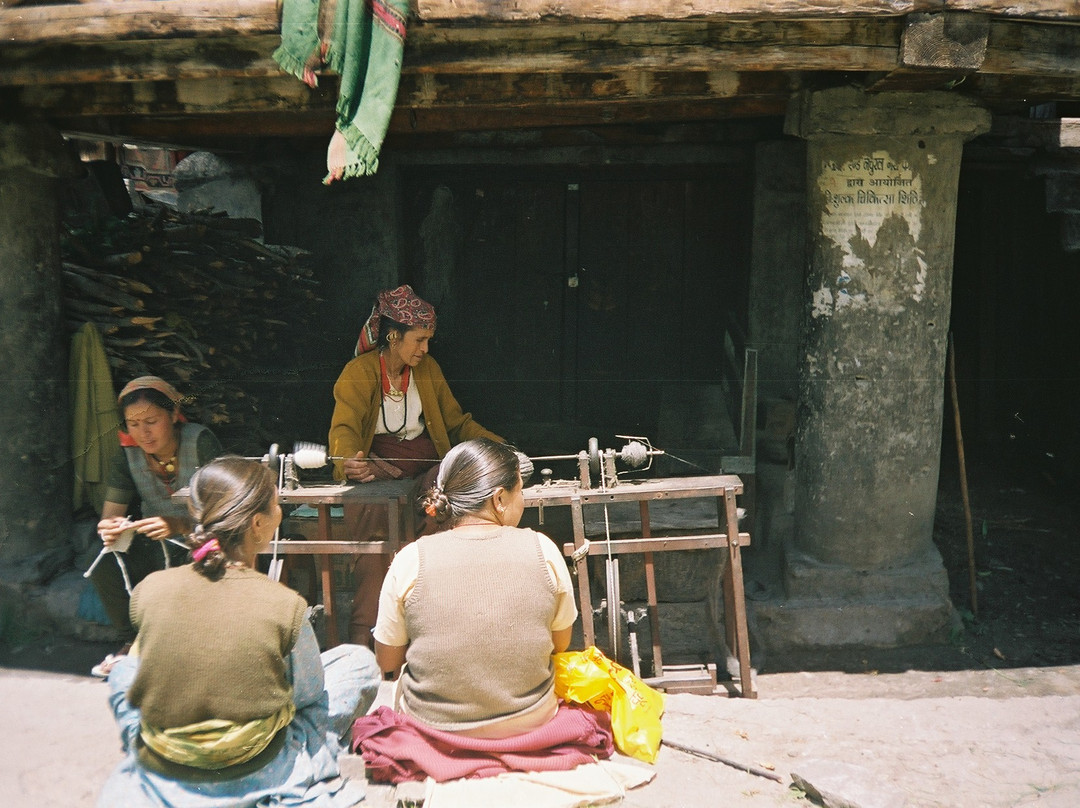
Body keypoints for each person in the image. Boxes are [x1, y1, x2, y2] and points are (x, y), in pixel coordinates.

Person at [98, 457, 381, 808]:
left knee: (124, 669)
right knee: (358, 663)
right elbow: (307, 696)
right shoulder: (284, 604)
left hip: (170, 769)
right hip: (257, 767)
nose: (280, 511)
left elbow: (152, 673)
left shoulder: (150, 590)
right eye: (278, 503)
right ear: (259, 524)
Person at [328, 284, 504, 646]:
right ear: (393, 336)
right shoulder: (358, 373)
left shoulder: (428, 370)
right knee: (374, 560)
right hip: (374, 477)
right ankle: (369, 651)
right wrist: (349, 462)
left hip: (425, 471)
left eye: (428, 341)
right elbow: (344, 428)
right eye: (420, 340)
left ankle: (434, 639)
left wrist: (498, 447)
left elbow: (456, 423)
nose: (425, 349)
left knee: (437, 543)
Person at [372, 437, 577, 739]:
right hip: (531, 719)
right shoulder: (542, 549)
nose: (523, 500)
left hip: (433, 726)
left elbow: (387, 661)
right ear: (498, 499)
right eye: (520, 490)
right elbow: (560, 643)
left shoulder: (410, 559)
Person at [89, 376, 223, 677]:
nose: (143, 433)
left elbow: (224, 511)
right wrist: (110, 528)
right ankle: (132, 638)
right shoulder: (127, 455)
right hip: (156, 541)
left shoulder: (199, 441)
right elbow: (109, 516)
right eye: (133, 424)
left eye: (151, 421)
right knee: (101, 559)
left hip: (203, 538)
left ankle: (168, 646)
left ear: (173, 416)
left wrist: (180, 524)